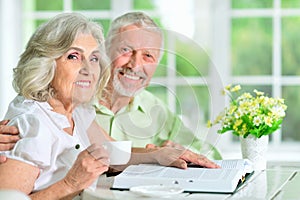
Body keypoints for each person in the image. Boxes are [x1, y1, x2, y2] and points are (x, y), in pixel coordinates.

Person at [0, 12, 219, 199]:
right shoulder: (31, 124)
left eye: (94, 58)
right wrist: (70, 183)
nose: (88, 68)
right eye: (74, 56)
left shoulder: (78, 111)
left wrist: (158, 154)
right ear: (45, 63)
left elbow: (112, 153)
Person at [96, 11, 222, 159]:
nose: (136, 65)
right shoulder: (76, 102)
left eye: (148, 56)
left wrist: (183, 151)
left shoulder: (156, 109)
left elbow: (212, 156)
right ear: (104, 51)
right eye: (126, 50)